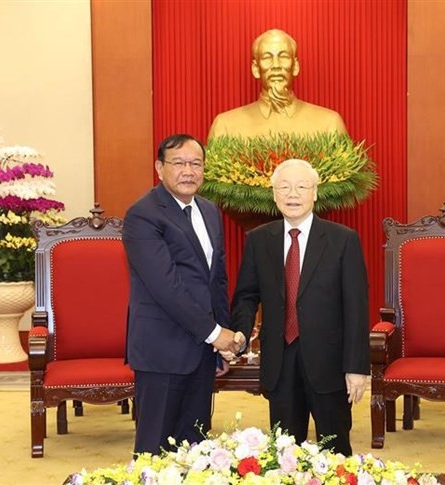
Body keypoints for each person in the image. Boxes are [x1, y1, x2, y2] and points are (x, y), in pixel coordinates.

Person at [227, 159, 369, 456]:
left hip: (329, 364)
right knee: (285, 452)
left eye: (302, 187)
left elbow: (356, 307)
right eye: (285, 187)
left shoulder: (343, 240)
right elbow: (246, 295)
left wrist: (356, 367)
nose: (293, 194)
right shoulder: (259, 240)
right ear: (274, 194)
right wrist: (239, 331)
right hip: (280, 362)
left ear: (315, 193)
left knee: (336, 450)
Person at [123, 134, 245, 455]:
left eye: (195, 163)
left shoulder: (208, 210)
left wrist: (222, 343)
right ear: (159, 168)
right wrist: (215, 333)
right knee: (155, 448)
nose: (188, 171)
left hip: (202, 352)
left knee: (196, 447)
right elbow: (167, 286)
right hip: (162, 349)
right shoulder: (143, 215)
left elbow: (215, 280)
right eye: (178, 163)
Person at [208, 29, 348, 139]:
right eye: (267, 57)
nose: (276, 65)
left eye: (284, 57)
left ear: (295, 66)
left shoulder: (329, 124)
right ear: (256, 69)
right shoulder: (225, 126)